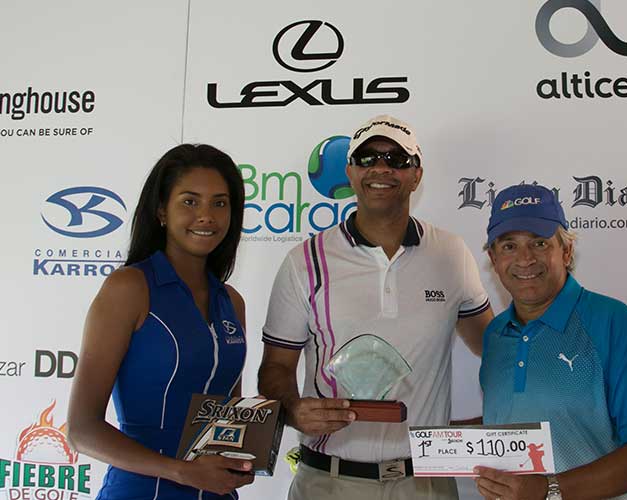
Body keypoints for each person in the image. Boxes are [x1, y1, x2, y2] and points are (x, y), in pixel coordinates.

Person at [258, 114, 494, 500]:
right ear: (350, 172)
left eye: (398, 159)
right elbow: (275, 368)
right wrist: (293, 408)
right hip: (329, 482)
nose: (381, 169)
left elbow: (494, 349)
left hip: (426, 483)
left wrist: (501, 423)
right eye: (367, 159)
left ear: (417, 175)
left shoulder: (450, 253)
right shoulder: (305, 261)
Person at [67, 144, 253, 499]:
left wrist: (240, 460)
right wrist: (182, 472)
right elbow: (81, 430)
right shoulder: (130, 288)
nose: (206, 216)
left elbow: (229, 418)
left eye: (219, 202)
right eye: (189, 201)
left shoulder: (231, 301)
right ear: (161, 211)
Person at [475, 184, 627, 500]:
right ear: (493, 257)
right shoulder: (496, 334)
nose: (525, 259)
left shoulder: (613, 322)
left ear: (566, 251)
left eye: (540, 243)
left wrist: (548, 490)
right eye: (509, 246)